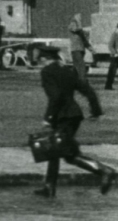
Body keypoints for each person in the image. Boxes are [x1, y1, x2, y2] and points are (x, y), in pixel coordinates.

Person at [35, 55, 116, 198]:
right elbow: (88, 90)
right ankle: (49, 187)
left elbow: (56, 96)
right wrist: (95, 110)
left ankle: (105, 171)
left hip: (63, 117)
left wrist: (49, 117)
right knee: (54, 150)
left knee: (69, 155)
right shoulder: (68, 70)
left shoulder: (47, 72)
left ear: (43, 58)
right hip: (73, 115)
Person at [68, 13, 92, 80]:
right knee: (81, 67)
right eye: (79, 17)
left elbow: (84, 41)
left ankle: (71, 83)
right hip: (76, 50)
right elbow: (74, 29)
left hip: (80, 50)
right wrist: (77, 21)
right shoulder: (73, 24)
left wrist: (91, 49)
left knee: (76, 68)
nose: (80, 18)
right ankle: (83, 83)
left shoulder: (80, 31)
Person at [105, 21, 118, 91]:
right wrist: (115, 52)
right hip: (115, 57)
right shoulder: (115, 34)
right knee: (112, 72)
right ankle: (108, 86)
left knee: (112, 71)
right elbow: (110, 46)